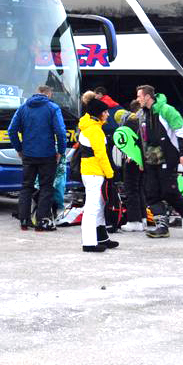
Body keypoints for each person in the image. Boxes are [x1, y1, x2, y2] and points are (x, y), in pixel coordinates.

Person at [136, 84, 183, 237]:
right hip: (150, 158)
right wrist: (140, 160)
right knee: (151, 192)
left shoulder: (167, 110)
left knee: (168, 191)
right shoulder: (141, 114)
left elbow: (181, 130)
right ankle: (162, 226)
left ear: (148, 97)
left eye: (139, 96)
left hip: (168, 156)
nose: (137, 99)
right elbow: (141, 139)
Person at [9, 85, 67, 231]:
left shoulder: (23, 108)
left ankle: (24, 220)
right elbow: (61, 132)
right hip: (47, 155)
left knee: (26, 187)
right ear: (49, 94)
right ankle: (41, 222)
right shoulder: (53, 108)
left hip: (28, 154)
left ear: (37, 93)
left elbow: (12, 130)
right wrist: (61, 151)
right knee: (46, 187)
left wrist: (19, 148)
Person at [78, 98, 118, 251]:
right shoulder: (95, 130)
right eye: (105, 112)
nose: (108, 114)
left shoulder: (89, 127)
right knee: (92, 208)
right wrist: (110, 174)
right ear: (98, 114)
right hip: (95, 173)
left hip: (91, 172)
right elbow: (101, 155)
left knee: (99, 206)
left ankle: (102, 237)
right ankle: (89, 243)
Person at [115, 103, 146, 232]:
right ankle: (143, 219)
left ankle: (134, 221)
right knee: (139, 189)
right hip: (141, 161)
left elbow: (131, 142)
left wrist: (130, 155)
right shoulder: (139, 121)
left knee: (131, 190)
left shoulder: (127, 125)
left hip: (132, 161)